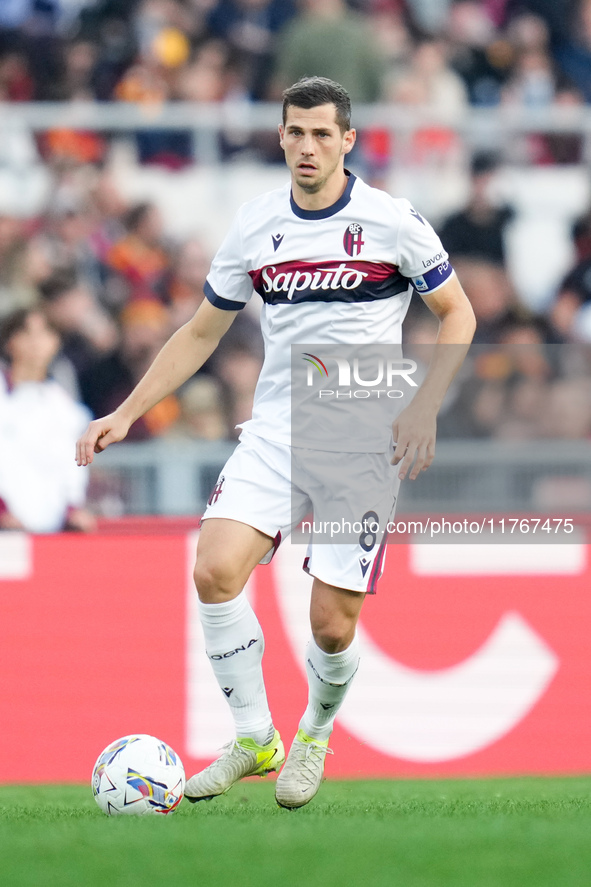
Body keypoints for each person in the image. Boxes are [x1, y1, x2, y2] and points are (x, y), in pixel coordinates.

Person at [76, 76, 476, 809]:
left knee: (330, 622)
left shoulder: (391, 221)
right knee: (214, 569)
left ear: (348, 140)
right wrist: (127, 411)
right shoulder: (257, 225)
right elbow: (202, 328)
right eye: (295, 132)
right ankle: (254, 734)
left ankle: (314, 733)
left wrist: (424, 409)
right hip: (275, 429)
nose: (307, 146)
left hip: (360, 435)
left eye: (323, 133)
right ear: (281, 136)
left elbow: (457, 314)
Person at [0, 307, 95, 533]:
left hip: (48, 527)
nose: (36, 343)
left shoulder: (63, 407)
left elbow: (72, 467)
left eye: (44, 334)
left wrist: (73, 509)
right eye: (27, 334)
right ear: (10, 341)